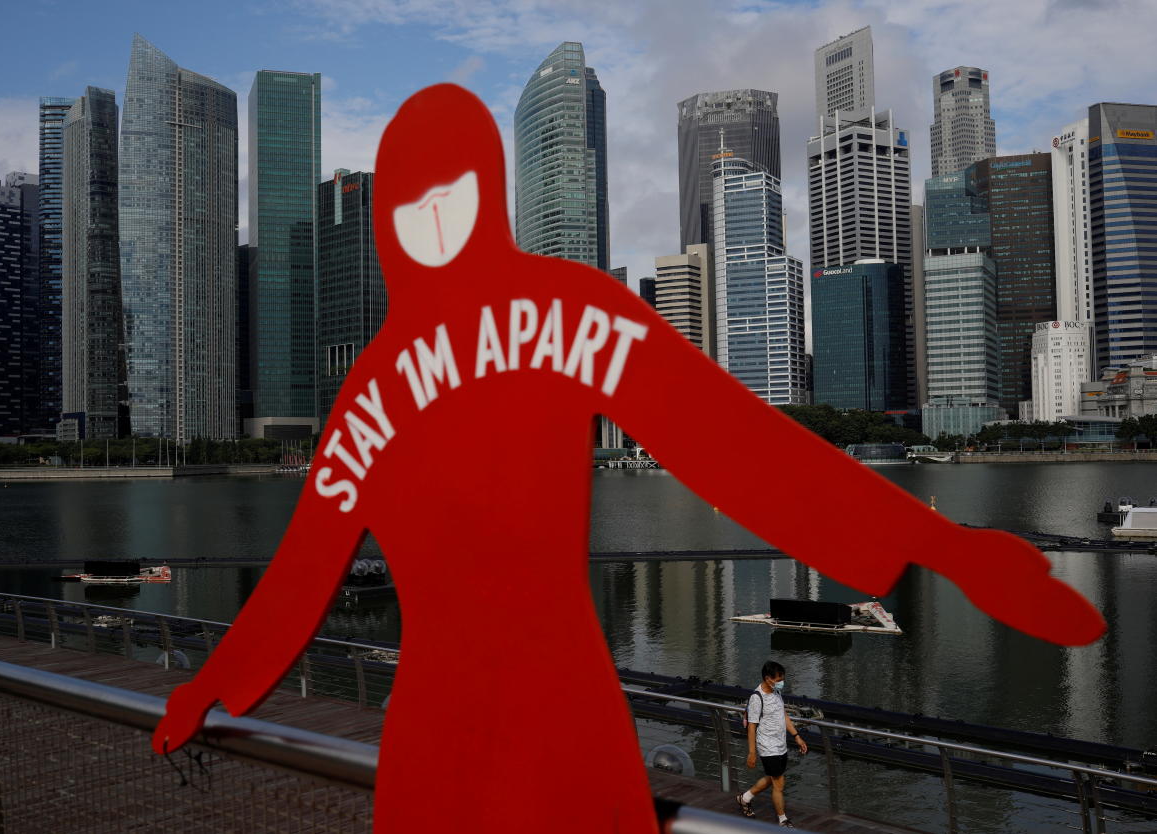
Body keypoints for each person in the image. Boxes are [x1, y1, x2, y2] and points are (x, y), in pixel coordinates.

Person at [151, 83, 1104, 834]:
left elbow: (744, 452)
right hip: (433, 753)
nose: (437, 222)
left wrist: (948, 550)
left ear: (491, 195)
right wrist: (205, 688)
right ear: (385, 224)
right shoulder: (372, 390)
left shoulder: (566, 312)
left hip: (562, 732)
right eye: (413, 207)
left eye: (457, 196)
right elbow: (297, 578)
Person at [737, 660, 807, 828]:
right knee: (779, 783)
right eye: (778, 679)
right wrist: (752, 752)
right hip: (767, 746)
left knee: (772, 778)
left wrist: (796, 736)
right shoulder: (757, 698)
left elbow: (783, 715)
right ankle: (782, 820)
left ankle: (744, 798)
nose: (781, 682)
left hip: (780, 744)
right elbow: (752, 727)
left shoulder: (776, 692)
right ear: (768, 679)